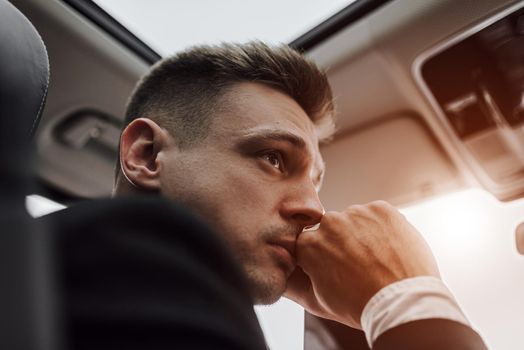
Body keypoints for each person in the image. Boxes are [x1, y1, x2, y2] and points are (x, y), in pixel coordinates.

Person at [48, 41, 487, 349]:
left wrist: (362, 316)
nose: (313, 208)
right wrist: (403, 297)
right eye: (274, 159)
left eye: (316, 181)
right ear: (147, 155)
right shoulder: (126, 269)